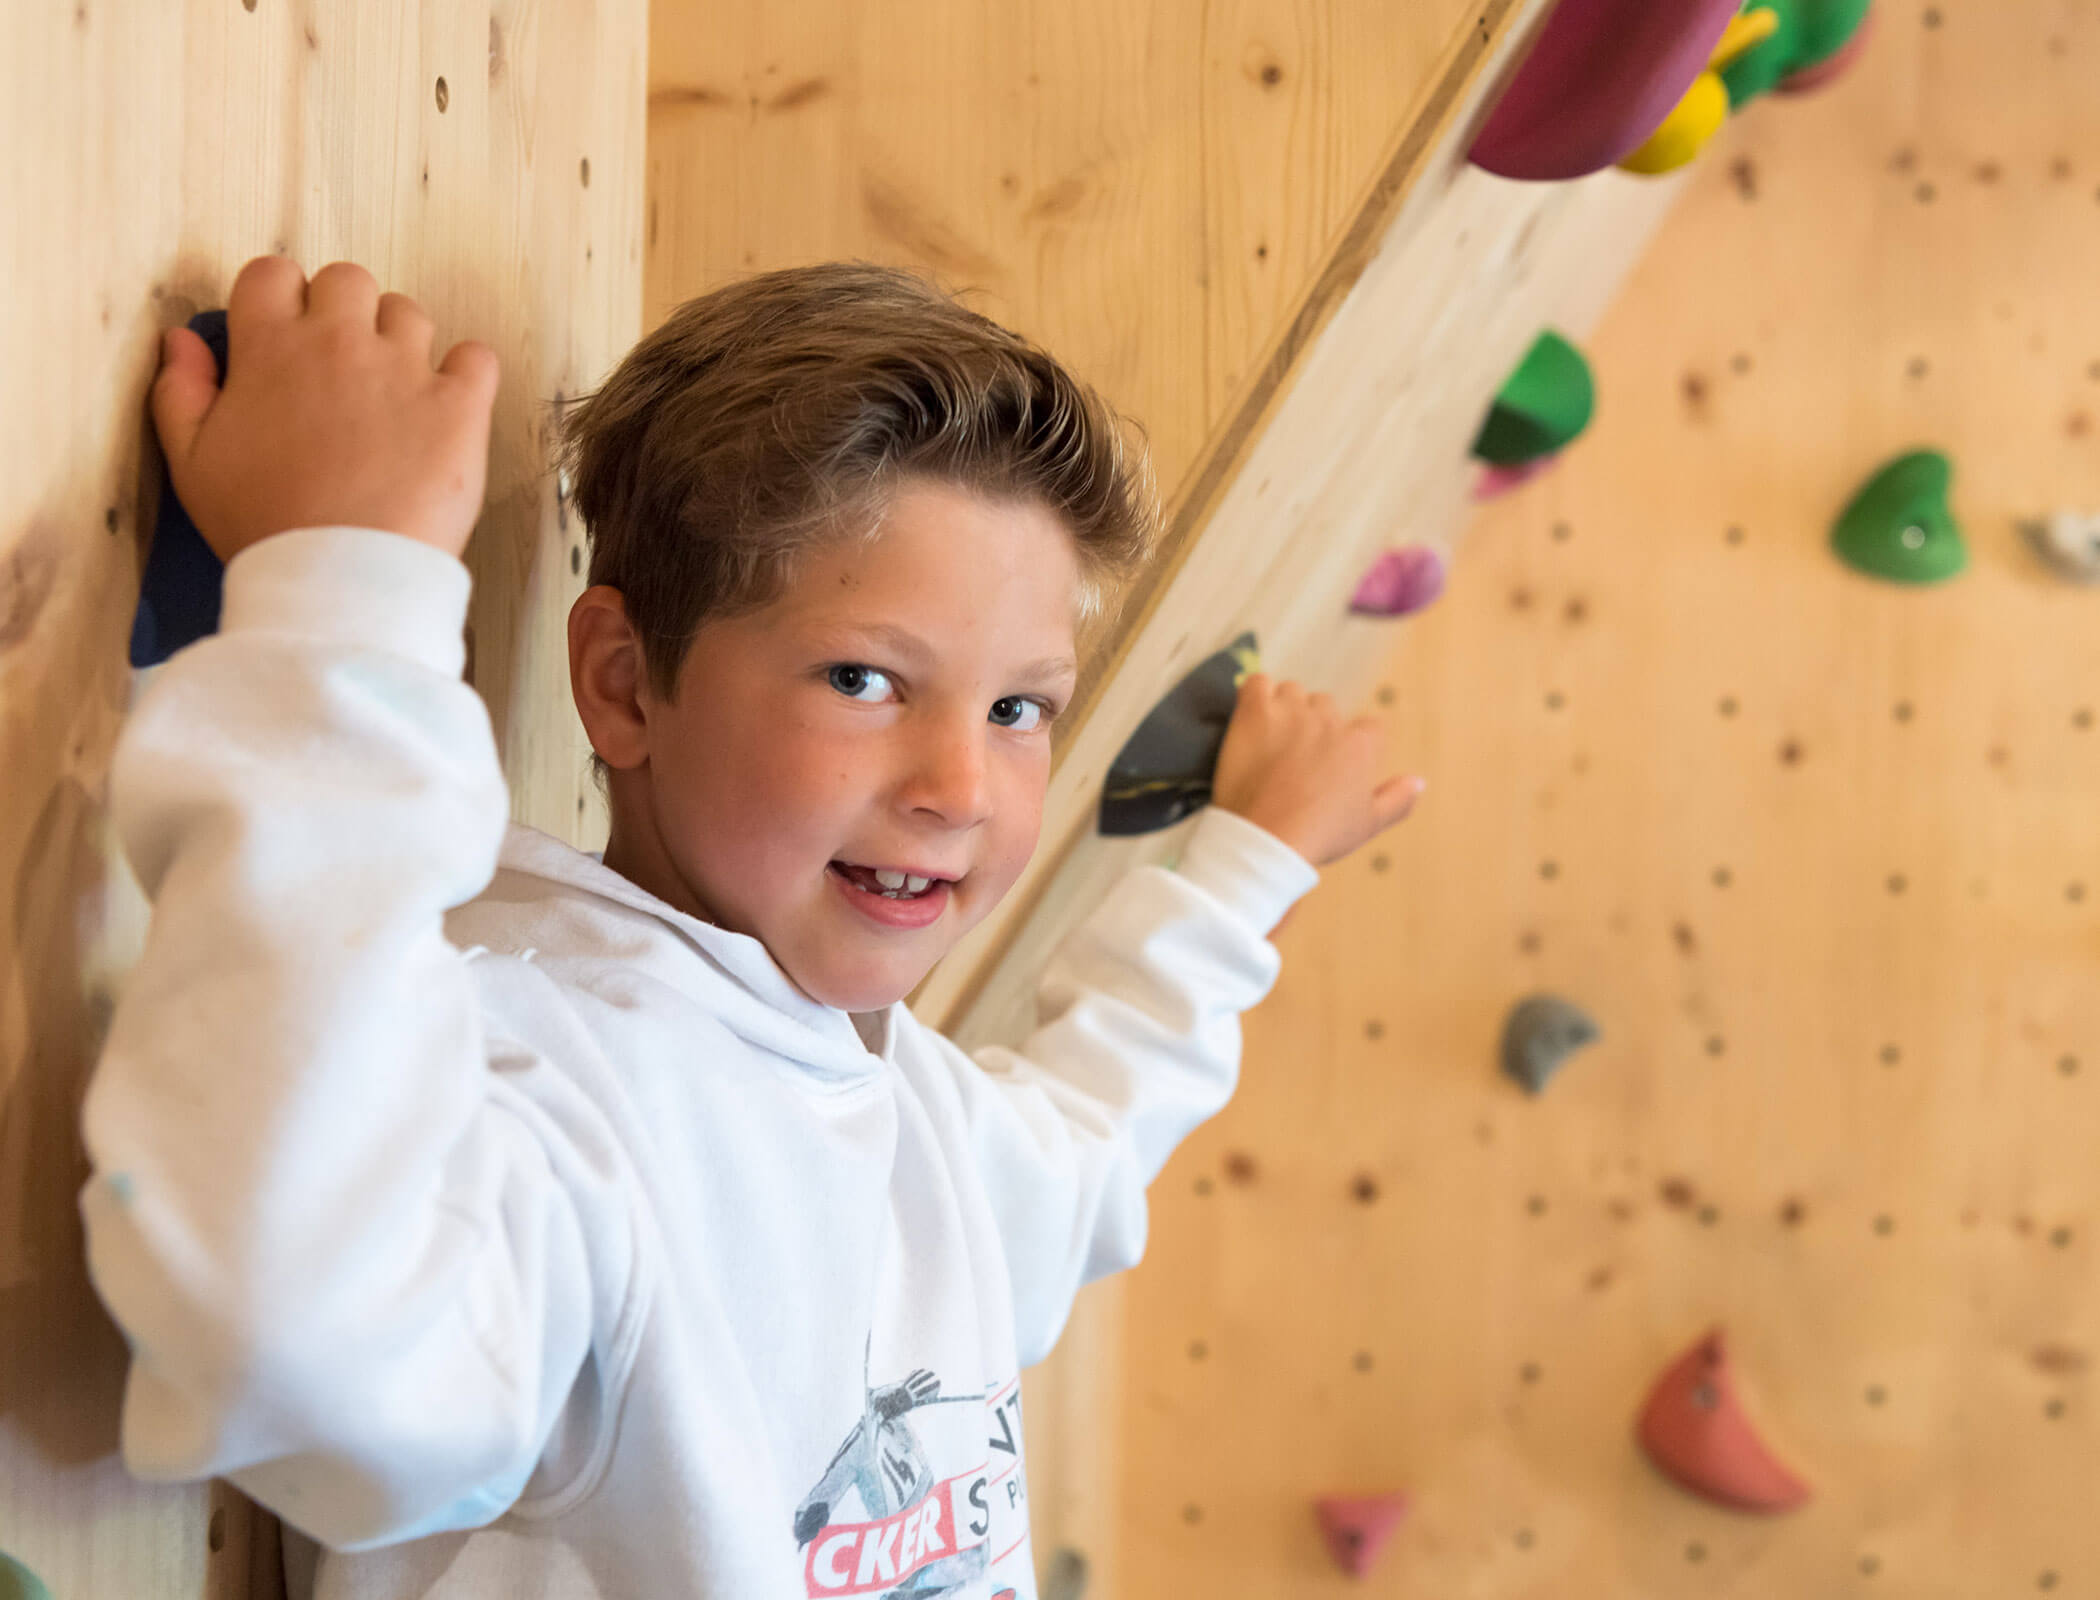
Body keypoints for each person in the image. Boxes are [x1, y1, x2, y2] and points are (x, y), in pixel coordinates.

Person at [81, 253, 1425, 1599]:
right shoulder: (548, 1080)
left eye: (1020, 708)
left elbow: (1085, 1149)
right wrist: (339, 594)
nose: (959, 790)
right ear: (623, 686)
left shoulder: (887, 1090)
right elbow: (289, 1337)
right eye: (864, 680)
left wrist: (1247, 869)